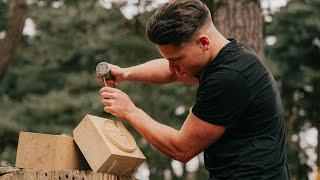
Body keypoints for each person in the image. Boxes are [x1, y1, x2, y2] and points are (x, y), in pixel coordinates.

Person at [99, 0, 290, 179]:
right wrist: (125, 73)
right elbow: (172, 72)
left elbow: (182, 148)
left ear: (203, 43)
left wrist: (130, 111)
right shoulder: (231, 56)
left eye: (177, 60)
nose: (174, 68)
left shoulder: (228, 78)